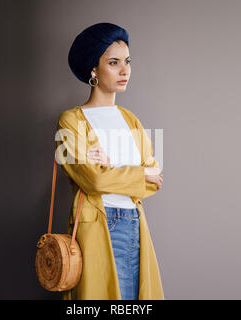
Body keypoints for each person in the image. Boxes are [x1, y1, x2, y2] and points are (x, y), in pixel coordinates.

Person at [56, 22, 164, 300]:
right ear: (94, 68)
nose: (124, 70)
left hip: (135, 225)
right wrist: (138, 174)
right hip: (100, 226)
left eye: (127, 61)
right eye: (113, 62)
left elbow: (155, 181)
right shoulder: (71, 121)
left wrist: (112, 168)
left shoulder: (132, 121)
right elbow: (93, 180)